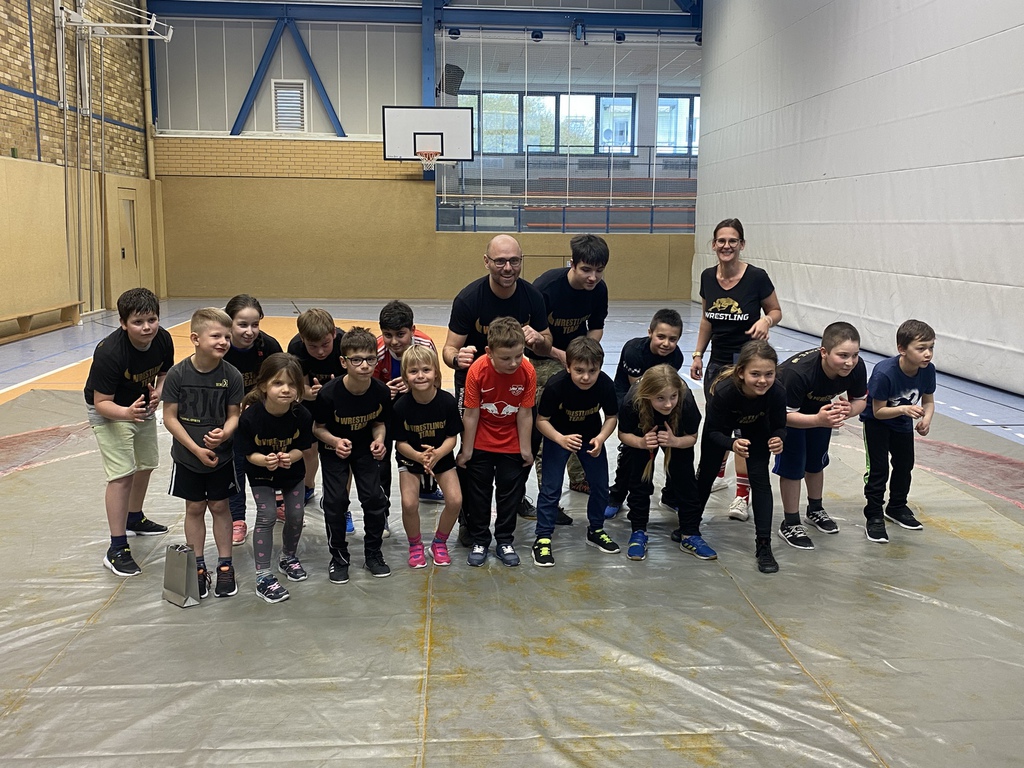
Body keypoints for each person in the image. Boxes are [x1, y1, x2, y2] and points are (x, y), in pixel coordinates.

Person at [442, 234, 552, 544]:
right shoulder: (469, 299)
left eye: (514, 261)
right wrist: (457, 358)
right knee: (471, 451)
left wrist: (539, 340)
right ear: (487, 262)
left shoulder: (532, 297)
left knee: (526, 441)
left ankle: (513, 497)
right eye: (500, 261)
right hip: (475, 381)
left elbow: (547, 344)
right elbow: (449, 349)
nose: (507, 267)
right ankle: (469, 519)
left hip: (515, 379)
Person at [690, 218, 782, 522]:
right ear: (714, 244)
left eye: (732, 241)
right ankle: (715, 474)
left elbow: (776, 310)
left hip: (747, 363)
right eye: (721, 241)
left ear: (741, 244)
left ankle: (742, 495)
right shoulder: (707, 276)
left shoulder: (756, 277)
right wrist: (698, 354)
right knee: (718, 423)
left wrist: (766, 320)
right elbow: (706, 318)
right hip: (717, 363)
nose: (726, 246)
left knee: (745, 429)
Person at [85, 288, 173, 576]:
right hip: (110, 410)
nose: (147, 327)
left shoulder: (163, 339)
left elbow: (164, 373)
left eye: (152, 320)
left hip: (139, 405)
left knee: (145, 464)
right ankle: (117, 547)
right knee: (121, 475)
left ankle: (134, 518)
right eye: (138, 322)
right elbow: (101, 403)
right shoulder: (110, 353)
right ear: (123, 323)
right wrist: (127, 413)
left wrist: (158, 393)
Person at [162, 308, 245, 598]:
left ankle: (225, 565)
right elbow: (169, 417)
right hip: (188, 458)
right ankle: (197, 565)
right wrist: (196, 449)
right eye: (216, 336)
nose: (223, 342)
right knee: (194, 508)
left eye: (227, 337)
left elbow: (234, 415)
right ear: (195, 339)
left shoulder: (232, 375)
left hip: (222, 458)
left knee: (220, 507)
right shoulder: (178, 374)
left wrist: (225, 433)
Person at [693, 340, 786, 574]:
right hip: (722, 429)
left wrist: (778, 438)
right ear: (741, 372)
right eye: (755, 374)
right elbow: (713, 431)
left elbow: (779, 426)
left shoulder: (776, 391)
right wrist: (732, 443)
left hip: (757, 429)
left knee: (761, 481)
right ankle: (690, 527)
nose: (762, 380)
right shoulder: (725, 391)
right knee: (706, 474)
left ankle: (763, 545)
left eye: (769, 374)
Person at [772, 322, 868, 551]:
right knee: (793, 467)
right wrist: (818, 420)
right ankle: (790, 522)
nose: (850, 362)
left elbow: (860, 400)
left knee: (816, 462)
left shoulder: (856, 367)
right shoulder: (798, 373)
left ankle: (815, 509)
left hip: (820, 413)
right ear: (824, 352)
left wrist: (848, 410)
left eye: (855, 355)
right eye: (843, 356)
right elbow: (782, 416)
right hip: (787, 414)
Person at [530, 234, 610, 496]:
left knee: (582, 413)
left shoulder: (599, 289)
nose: (593, 277)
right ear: (572, 264)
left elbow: (596, 328)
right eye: (586, 270)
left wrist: (584, 357)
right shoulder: (546, 287)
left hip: (576, 358)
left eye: (599, 271)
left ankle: (578, 477)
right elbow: (532, 337)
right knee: (553, 419)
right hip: (544, 356)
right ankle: (548, 490)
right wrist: (561, 355)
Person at [311, 327, 393, 581]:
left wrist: (379, 440)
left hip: (365, 450)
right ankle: (338, 557)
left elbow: (379, 423)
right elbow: (318, 428)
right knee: (335, 502)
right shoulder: (328, 394)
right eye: (356, 360)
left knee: (374, 499)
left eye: (370, 359)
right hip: (334, 451)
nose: (364, 365)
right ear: (343, 362)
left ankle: (373, 554)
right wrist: (335, 441)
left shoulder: (381, 391)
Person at [456, 317, 536, 568]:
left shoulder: (527, 371)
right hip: (482, 439)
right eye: (505, 358)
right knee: (478, 494)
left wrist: (525, 449)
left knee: (509, 494)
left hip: (511, 441)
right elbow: (471, 414)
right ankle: (480, 539)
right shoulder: (477, 371)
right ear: (489, 352)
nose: (513, 363)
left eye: (519, 356)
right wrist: (467, 450)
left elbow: (525, 413)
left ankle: (504, 540)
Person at [532, 337, 619, 567]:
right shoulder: (555, 386)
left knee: (600, 486)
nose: (586, 377)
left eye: (592, 371)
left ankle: (596, 529)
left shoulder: (605, 384)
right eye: (579, 370)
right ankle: (542, 537)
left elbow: (611, 417)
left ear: (600, 368)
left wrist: (601, 438)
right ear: (568, 366)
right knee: (551, 489)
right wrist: (560, 439)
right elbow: (541, 421)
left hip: (590, 438)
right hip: (558, 438)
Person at [236, 353, 313, 603]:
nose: (286, 390)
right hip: (261, 473)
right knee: (267, 515)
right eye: (278, 383)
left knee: (296, 515)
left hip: (292, 472)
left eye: (292, 384)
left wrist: (290, 456)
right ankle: (263, 575)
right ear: (263, 386)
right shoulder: (250, 418)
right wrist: (264, 460)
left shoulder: (302, 415)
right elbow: (248, 453)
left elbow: (302, 448)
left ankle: (288, 557)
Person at [604, 308, 685, 518]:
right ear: (650, 333)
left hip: (660, 401)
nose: (666, 343)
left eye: (673, 339)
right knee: (632, 453)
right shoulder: (633, 351)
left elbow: (668, 390)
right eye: (661, 337)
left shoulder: (676, 357)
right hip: (632, 400)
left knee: (673, 449)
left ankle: (671, 495)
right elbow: (639, 391)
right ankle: (617, 495)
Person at [860, 319, 936, 543]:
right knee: (878, 470)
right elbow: (878, 411)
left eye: (931, 347)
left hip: (902, 424)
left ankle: (897, 506)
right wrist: (904, 409)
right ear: (902, 349)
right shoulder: (884, 373)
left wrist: (926, 419)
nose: (928, 354)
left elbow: (928, 401)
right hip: (878, 424)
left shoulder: (928, 370)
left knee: (904, 465)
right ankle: (874, 514)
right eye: (921, 348)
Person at [616, 365, 702, 562]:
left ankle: (690, 532)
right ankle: (638, 531)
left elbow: (692, 437)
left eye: (673, 397)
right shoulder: (633, 401)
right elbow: (623, 434)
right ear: (647, 396)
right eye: (660, 398)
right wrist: (640, 442)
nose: (668, 404)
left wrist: (675, 442)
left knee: (685, 479)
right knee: (639, 480)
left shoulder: (686, 401)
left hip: (676, 433)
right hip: (642, 433)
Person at [392, 346, 463, 568]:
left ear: (436, 373)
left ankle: (439, 543)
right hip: (410, 458)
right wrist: (419, 456)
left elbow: (452, 437)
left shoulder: (447, 402)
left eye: (426, 370)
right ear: (405, 376)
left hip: (441, 456)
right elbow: (400, 443)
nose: (420, 376)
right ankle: (415, 545)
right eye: (413, 371)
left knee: (455, 500)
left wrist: (438, 453)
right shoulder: (401, 406)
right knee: (409, 503)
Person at [223, 294, 283, 546]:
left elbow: (281, 379)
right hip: (230, 417)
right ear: (229, 323)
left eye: (255, 324)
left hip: (262, 414)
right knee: (236, 465)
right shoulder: (220, 348)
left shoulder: (268, 346)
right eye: (242, 325)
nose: (249, 331)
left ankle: (278, 501)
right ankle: (237, 518)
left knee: (271, 459)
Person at [373, 300, 443, 507]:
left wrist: (413, 386)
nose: (394, 341)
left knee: (426, 439)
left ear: (412, 330)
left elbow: (436, 381)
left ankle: (428, 488)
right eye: (388, 335)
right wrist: (384, 392)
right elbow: (368, 390)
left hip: (417, 401)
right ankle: (381, 504)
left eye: (400, 334)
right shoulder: (377, 351)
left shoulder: (425, 345)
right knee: (381, 453)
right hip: (385, 405)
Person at [287, 308, 345, 508]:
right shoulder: (295, 347)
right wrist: (309, 393)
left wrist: (332, 391)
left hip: (339, 401)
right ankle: (308, 485)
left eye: (325, 344)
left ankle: (337, 497)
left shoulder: (344, 343)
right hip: (309, 402)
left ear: (334, 334)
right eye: (313, 346)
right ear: (302, 339)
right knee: (309, 449)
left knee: (337, 450)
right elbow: (299, 386)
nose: (320, 351)